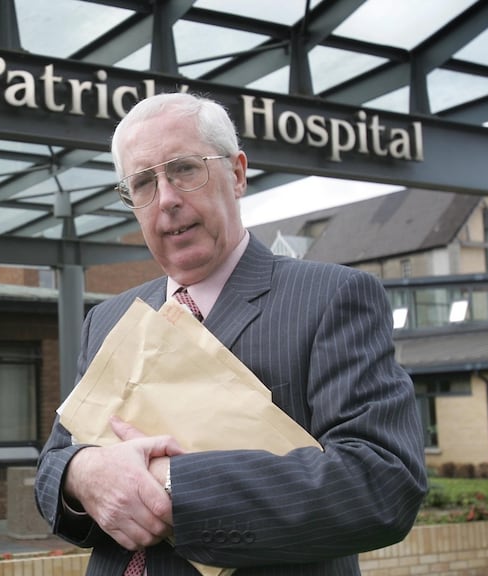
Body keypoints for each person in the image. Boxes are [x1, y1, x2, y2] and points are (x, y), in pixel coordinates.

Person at [34, 92, 428, 576]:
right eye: (143, 183)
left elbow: (382, 483)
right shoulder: (108, 318)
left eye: (184, 169)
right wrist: (83, 473)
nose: (168, 199)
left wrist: (171, 482)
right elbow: (55, 460)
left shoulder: (332, 297)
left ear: (237, 173)